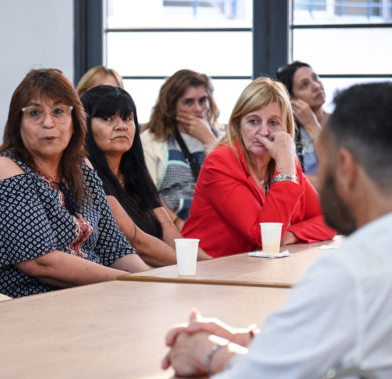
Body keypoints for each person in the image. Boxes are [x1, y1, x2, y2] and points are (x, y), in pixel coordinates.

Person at [162, 82, 392, 379]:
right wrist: (252, 340)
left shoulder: (349, 273)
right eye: (253, 121)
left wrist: (207, 351)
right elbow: (343, 339)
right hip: (209, 281)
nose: (264, 132)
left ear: (346, 168)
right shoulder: (380, 261)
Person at [0, 68, 149, 298]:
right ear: (18, 123)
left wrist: (154, 280)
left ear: (75, 122)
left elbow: (114, 247)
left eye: (59, 111)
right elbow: (41, 263)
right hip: (25, 300)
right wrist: (130, 282)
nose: (48, 123)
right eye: (35, 113)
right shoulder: (4, 168)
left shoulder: (82, 167)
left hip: (90, 294)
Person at [181, 78, 335, 258]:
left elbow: (329, 220)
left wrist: (291, 234)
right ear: (238, 124)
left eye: (273, 123)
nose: (263, 132)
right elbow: (265, 237)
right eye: (253, 121)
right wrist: (285, 169)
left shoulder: (285, 160)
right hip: (206, 268)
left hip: (253, 267)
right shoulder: (220, 162)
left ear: (286, 127)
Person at [81, 85, 210, 266]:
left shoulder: (135, 174)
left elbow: (170, 232)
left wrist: (212, 264)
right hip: (121, 276)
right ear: (85, 125)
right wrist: (192, 267)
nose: (121, 126)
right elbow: (137, 241)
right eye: (108, 119)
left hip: (157, 272)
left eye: (127, 119)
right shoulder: (88, 175)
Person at [141, 69, 221, 229]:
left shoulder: (221, 139)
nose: (198, 109)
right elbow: (148, 194)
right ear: (171, 107)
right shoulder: (151, 140)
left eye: (203, 100)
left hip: (215, 227)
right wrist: (177, 224)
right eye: (188, 102)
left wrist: (209, 141)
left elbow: (230, 184)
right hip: (171, 227)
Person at [276, 61, 329, 186]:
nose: (316, 86)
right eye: (304, 85)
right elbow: (277, 175)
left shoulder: (340, 123)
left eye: (315, 78)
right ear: (292, 99)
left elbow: (339, 174)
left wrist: (311, 125)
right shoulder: (286, 132)